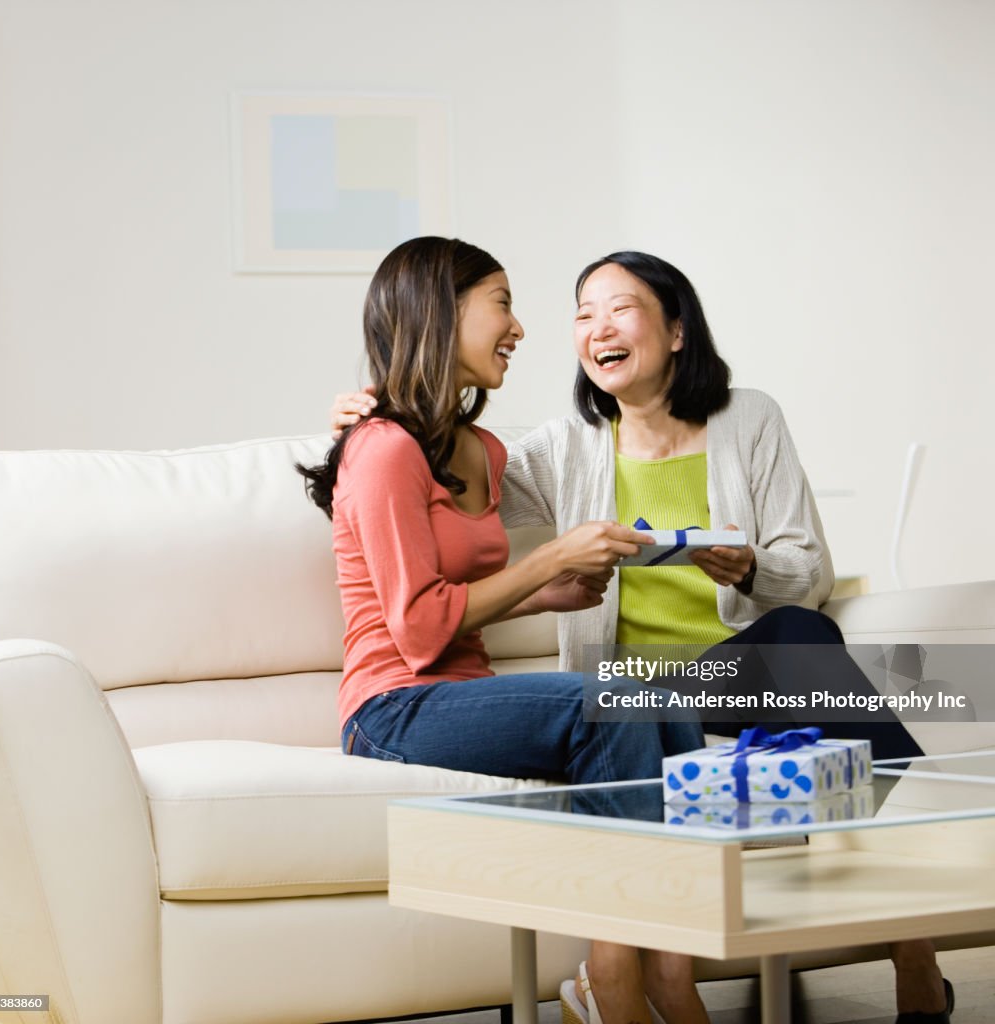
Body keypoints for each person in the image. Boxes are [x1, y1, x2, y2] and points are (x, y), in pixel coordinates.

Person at [331, 250, 954, 1024]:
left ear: (677, 329)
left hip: (726, 674)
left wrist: (749, 565)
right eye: (583, 314)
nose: (594, 329)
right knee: (644, 695)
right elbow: (435, 492)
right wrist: (366, 418)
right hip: (625, 687)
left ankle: (919, 924)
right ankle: (642, 974)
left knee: (804, 634)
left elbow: (807, 571)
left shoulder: (748, 419)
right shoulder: (553, 450)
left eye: (619, 309)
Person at [299, 236, 709, 1024]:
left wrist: (543, 595)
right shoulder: (381, 449)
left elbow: (459, 593)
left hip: (463, 693)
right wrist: (547, 557)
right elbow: (417, 633)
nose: (520, 328)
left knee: (654, 696)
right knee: (604, 702)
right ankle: (625, 978)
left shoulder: (483, 449)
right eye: (502, 303)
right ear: (440, 315)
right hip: (392, 709)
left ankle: (670, 958)